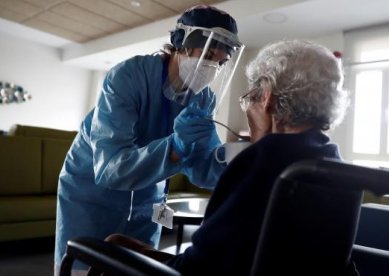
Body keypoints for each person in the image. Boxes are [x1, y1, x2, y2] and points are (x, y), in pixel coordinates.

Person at [100, 39, 354, 275]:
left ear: (266, 98)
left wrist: (133, 251)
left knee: (112, 243)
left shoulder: (259, 164)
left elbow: (196, 268)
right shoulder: (336, 167)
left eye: (249, 99)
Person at [54, 5, 244, 275]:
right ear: (181, 43)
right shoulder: (128, 77)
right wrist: (175, 148)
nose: (212, 67)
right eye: (208, 55)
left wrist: (235, 159)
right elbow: (110, 170)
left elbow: (202, 170)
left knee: (138, 267)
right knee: (83, 267)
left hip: (149, 196)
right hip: (92, 194)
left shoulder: (203, 98)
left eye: (221, 62)